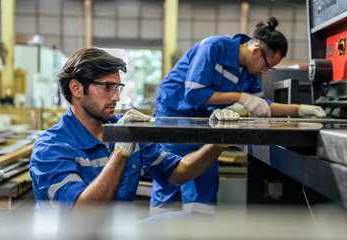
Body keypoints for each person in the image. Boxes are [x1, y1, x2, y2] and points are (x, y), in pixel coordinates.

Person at [150, 17, 326, 215]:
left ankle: (199, 230)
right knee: (170, 175)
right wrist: (241, 97)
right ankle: (156, 225)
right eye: (267, 65)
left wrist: (300, 109)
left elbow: (262, 106)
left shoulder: (249, 72)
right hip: (175, 112)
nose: (265, 71)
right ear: (256, 51)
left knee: (205, 175)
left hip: (206, 119)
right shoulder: (214, 47)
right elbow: (193, 94)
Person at [29, 48, 231, 214]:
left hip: (117, 231)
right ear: (76, 88)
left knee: (187, 223)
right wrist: (121, 151)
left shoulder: (124, 129)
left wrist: (218, 141)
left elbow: (177, 172)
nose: (116, 97)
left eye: (117, 87)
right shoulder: (51, 147)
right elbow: (82, 216)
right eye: (107, 87)